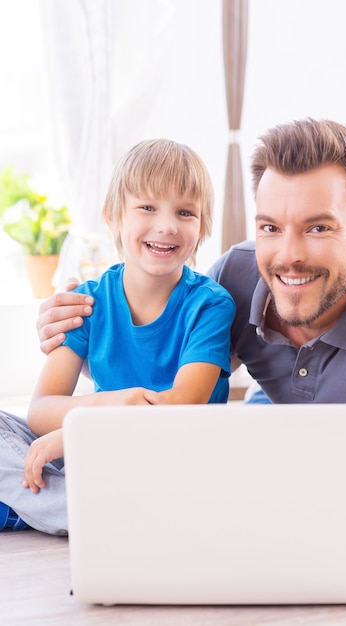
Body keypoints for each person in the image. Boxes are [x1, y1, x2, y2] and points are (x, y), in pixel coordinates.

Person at [35, 118, 346, 535]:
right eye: (270, 227)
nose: (288, 256)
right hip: (270, 431)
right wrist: (76, 334)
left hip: (344, 476)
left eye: (318, 228)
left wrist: (94, 432)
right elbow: (168, 364)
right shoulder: (236, 275)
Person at [0, 139, 235, 534]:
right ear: (113, 217)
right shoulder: (87, 302)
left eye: (185, 212)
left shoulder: (210, 305)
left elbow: (180, 407)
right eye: (147, 207)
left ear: (203, 227)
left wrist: (80, 428)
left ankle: (51, 509)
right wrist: (113, 406)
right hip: (102, 454)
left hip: (176, 459)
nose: (166, 225)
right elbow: (41, 411)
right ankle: (89, 511)